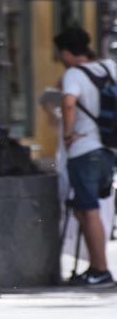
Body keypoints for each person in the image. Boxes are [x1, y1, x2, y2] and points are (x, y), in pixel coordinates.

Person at [54, 26, 117, 286]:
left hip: (84, 149)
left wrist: (69, 135)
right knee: (84, 208)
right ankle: (94, 266)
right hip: (108, 149)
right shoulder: (109, 67)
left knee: (88, 209)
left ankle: (101, 270)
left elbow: (69, 102)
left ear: (67, 52)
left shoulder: (74, 74)